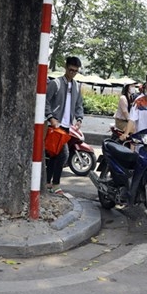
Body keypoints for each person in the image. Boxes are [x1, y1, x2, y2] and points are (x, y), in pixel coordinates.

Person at [44, 56, 84, 195]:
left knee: (55, 155)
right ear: (66, 68)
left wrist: (79, 119)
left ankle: (48, 183)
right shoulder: (56, 83)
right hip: (55, 126)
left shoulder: (77, 86)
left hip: (67, 126)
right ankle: (56, 185)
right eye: (71, 69)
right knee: (63, 154)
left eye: (75, 71)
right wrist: (51, 118)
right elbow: (45, 101)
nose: (73, 73)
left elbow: (79, 105)